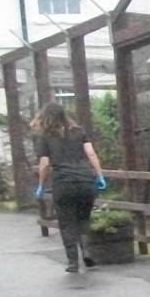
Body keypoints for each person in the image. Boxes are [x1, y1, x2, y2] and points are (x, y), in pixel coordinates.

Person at [32, 101, 106, 273]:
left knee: (66, 222)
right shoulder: (79, 132)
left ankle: (73, 261)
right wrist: (100, 175)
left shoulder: (46, 137)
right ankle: (87, 252)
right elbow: (91, 153)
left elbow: (44, 164)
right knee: (84, 218)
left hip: (63, 183)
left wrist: (41, 185)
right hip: (85, 181)